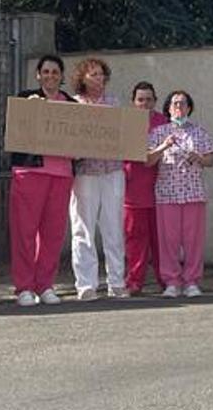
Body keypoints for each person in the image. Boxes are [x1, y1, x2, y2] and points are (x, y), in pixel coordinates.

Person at [8, 55, 76, 307]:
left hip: (61, 174)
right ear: (38, 75)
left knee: (53, 234)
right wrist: (30, 109)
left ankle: (45, 284)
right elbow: (14, 130)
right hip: (30, 173)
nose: (50, 76)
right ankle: (24, 287)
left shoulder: (71, 104)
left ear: (61, 76)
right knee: (24, 232)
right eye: (45, 72)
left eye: (55, 72)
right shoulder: (25, 99)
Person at [147, 90, 213, 297]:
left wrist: (199, 157)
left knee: (193, 240)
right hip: (167, 194)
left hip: (193, 193)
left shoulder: (199, 132)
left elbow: (211, 160)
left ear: (189, 108)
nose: (179, 107)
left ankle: (192, 281)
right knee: (168, 240)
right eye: (175, 103)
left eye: (183, 103)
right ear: (168, 108)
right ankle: (172, 282)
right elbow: (148, 160)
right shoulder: (159, 132)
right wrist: (163, 145)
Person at [69, 58, 127, 300]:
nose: (99, 79)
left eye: (102, 74)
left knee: (113, 227)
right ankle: (86, 284)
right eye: (93, 74)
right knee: (83, 228)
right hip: (85, 172)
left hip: (112, 170)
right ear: (82, 78)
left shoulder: (114, 103)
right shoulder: (74, 105)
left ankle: (117, 282)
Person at [123, 81, 169, 295]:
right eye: (140, 100)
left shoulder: (164, 123)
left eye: (149, 99)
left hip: (161, 192)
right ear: (134, 102)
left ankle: (166, 280)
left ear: (155, 101)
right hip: (133, 192)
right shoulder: (126, 124)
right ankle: (134, 281)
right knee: (136, 241)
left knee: (161, 241)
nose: (145, 103)